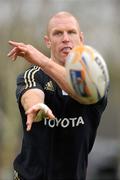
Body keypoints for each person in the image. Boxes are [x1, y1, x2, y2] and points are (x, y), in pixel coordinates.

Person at [8, 11, 108, 180]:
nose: (65, 38)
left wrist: (41, 60)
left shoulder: (95, 79)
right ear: (48, 41)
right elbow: (31, 94)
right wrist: (36, 106)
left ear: (81, 38)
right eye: (58, 33)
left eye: (71, 32)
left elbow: (82, 90)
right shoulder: (33, 74)